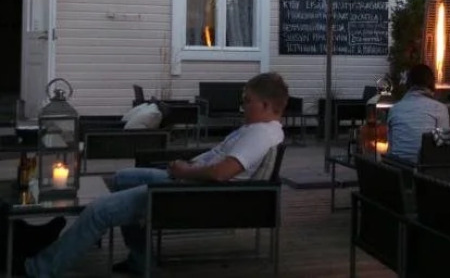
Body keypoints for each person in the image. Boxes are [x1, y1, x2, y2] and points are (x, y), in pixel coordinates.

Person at [25, 72, 289, 277]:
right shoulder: (259, 128)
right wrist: (184, 166)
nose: (242, 106)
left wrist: (186, 170)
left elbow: (221, 173)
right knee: (122, 178)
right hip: (189, 182)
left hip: (195, 194)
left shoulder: (260, 134)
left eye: (247, 101)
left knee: (99, 211)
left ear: (266, 105)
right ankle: (140, 260)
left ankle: (40, 269)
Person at [386, 64, 450, 163]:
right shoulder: (440, 109)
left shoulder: (394, 109)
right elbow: (443, 149)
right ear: (432, 85)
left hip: (398, 168)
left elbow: (390, 148)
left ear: (408, 84)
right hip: (425, 169)